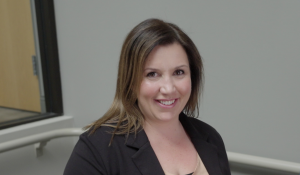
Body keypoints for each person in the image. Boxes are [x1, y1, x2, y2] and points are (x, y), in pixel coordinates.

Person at [64, 18, 231, 175]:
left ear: (192, 77)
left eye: (179, 72)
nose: (168, 88)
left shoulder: (210, 138)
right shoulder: (97, 148)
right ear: (130, 81)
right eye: (152, 74)